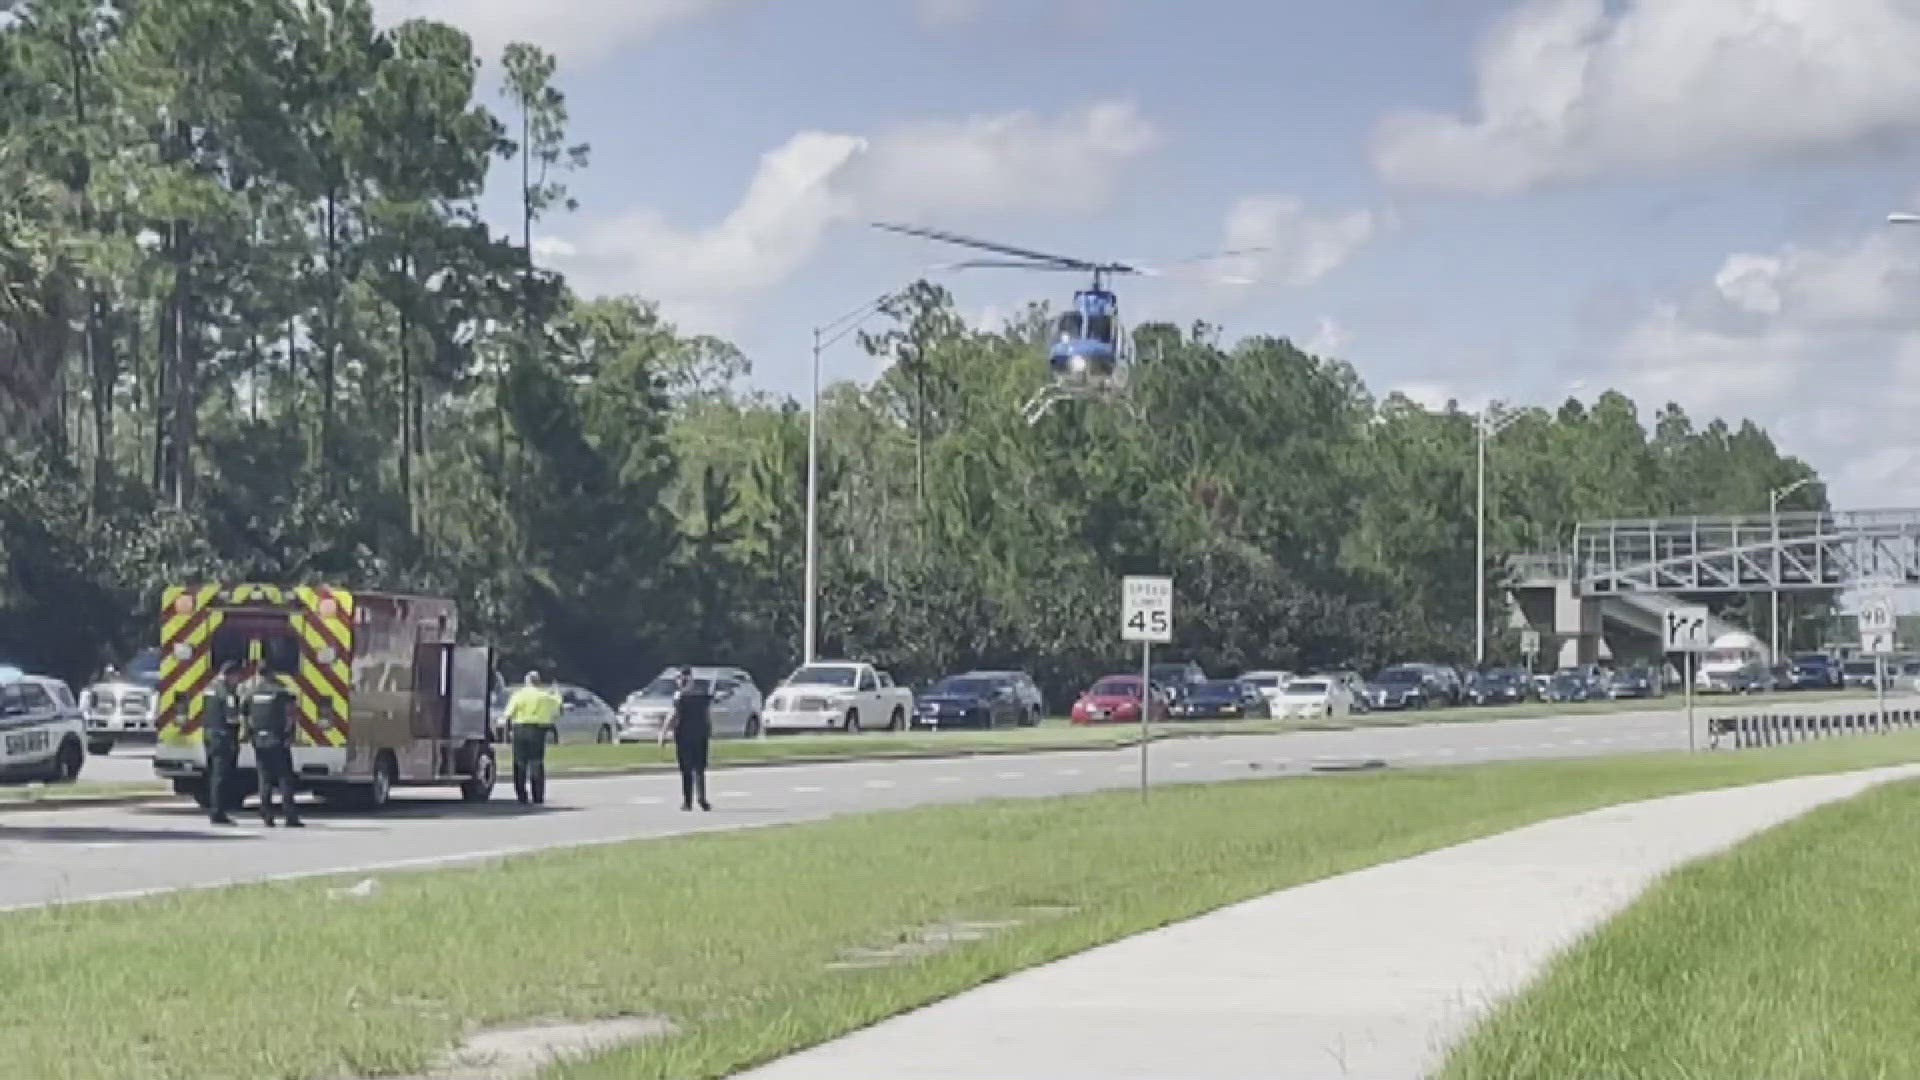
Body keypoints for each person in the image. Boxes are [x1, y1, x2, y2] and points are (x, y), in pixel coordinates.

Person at [243, 657, 304, 828]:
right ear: (272, 673)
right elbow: (291, 715)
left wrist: (249, 735)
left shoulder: (252, 693)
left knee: (264, 779)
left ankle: (267, 814)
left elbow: (245, 715)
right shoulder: (281, 692)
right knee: (285, 778)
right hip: (278, 739)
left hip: (259, 740)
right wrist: (290, 735)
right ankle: (290, 816)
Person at [502, 671, 561, 805]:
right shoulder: (544, 696)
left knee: (519, 763)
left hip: (520, 729)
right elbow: (557, 708)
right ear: (538, 681)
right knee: (536, 762)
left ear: (526, 682)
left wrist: (506, 735)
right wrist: (556, 692)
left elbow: (508, 714)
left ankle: (521, 795)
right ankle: (537, 795)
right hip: (537, 731)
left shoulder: (518, 695)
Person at [200, 661, 247, 825]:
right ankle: (218, 812)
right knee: (220, 777)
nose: (238, 681)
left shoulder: (210, 689)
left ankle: (215, 808)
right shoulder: (225, 693)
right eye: (237, 677)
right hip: (222, 737)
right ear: (231, 675)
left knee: (213, 774)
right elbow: (232, 717)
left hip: (209, 735)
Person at [660, 666, 712, 812]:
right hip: (700, 734)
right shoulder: (702, 695)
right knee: (699, 769)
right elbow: (707, 714)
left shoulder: (680, 697)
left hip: (685, 736)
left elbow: (673, 715)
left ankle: (688, 801)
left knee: (687, 770)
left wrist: (664, 733)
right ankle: (701, 799)